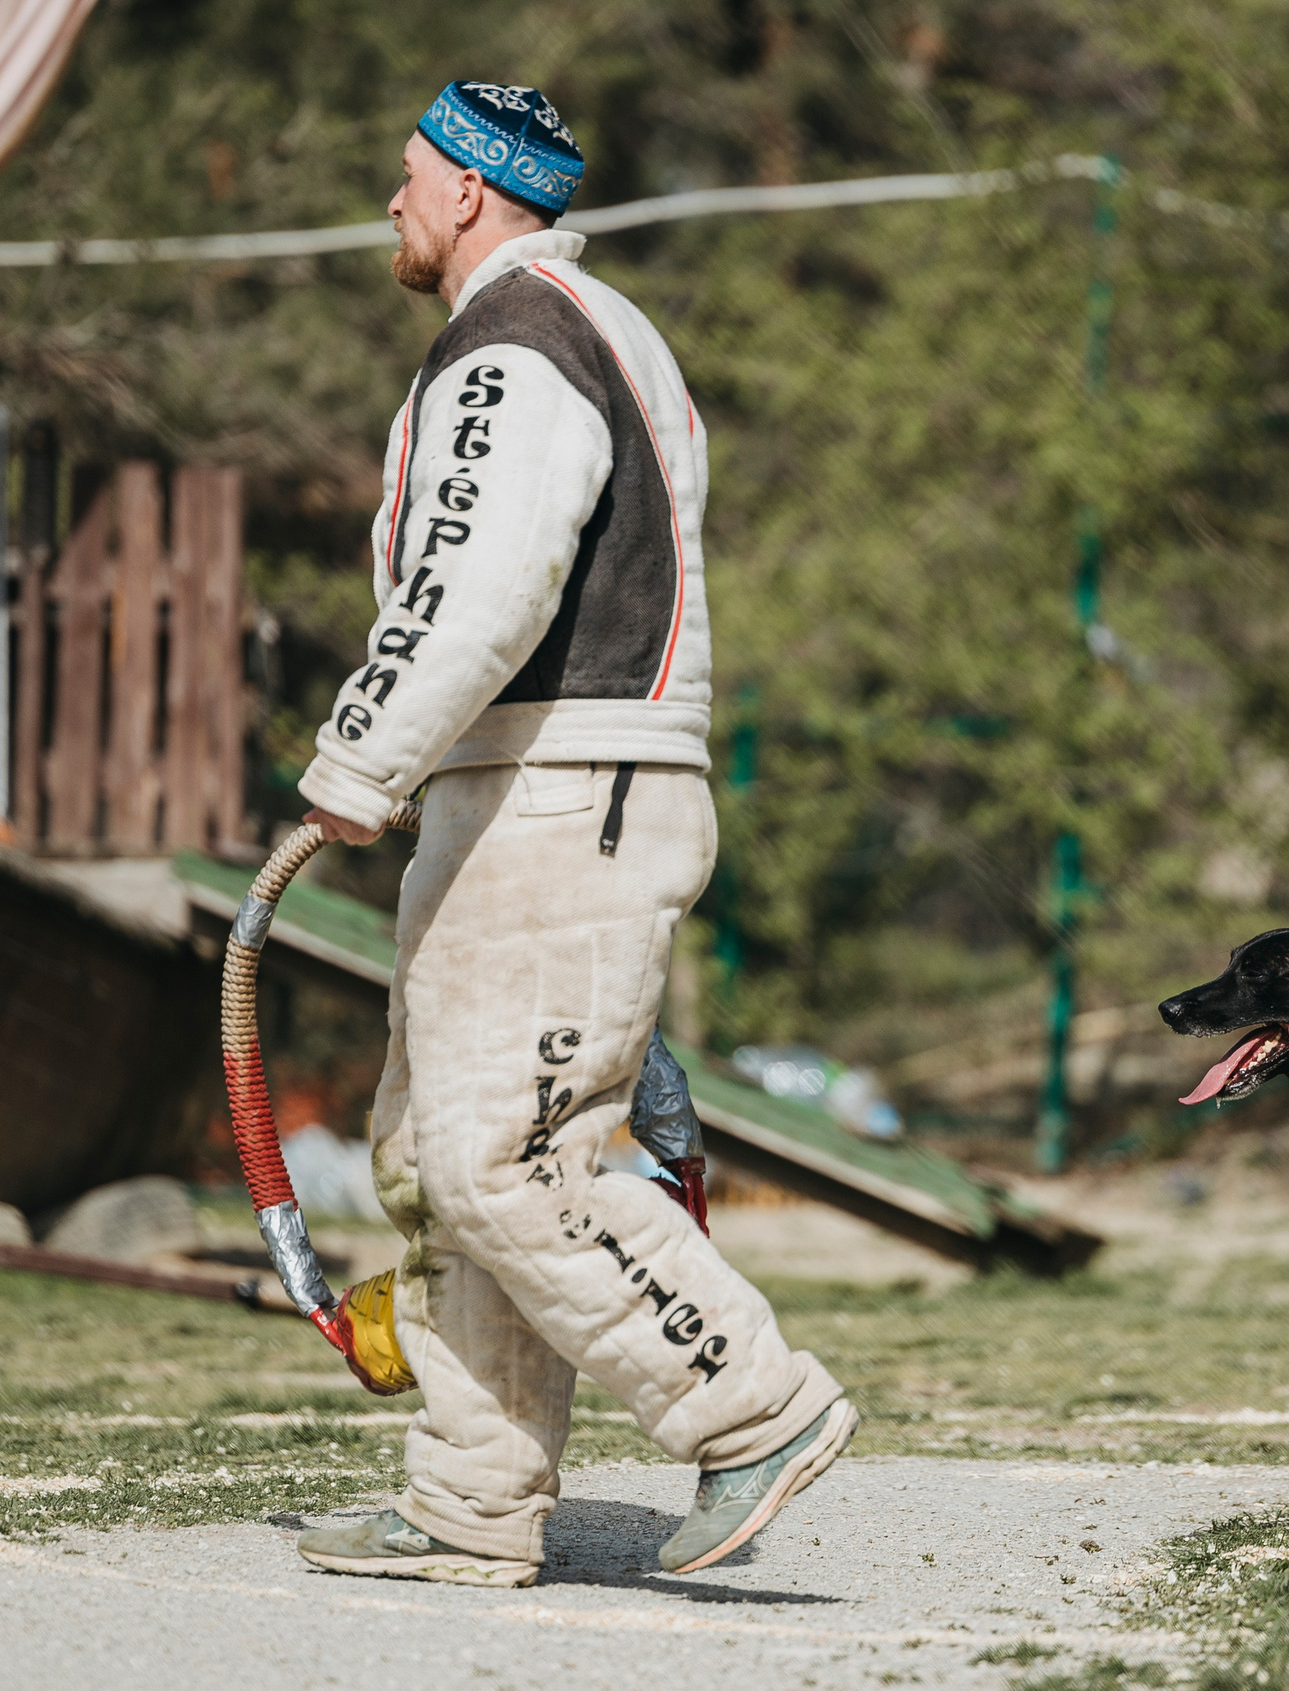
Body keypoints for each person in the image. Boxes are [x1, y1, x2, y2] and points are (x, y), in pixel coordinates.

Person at [289, 81, 854, 1588]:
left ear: (470, 191)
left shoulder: (515, 344)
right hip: (532, 788)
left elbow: (480, 580)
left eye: (411, 176)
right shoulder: (587, 331)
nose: (394, 202)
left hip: (562, 787)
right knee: (440, 1162)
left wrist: (361, 754)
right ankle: (470, 1503)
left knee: (505, 1160)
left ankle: (756, 1408)